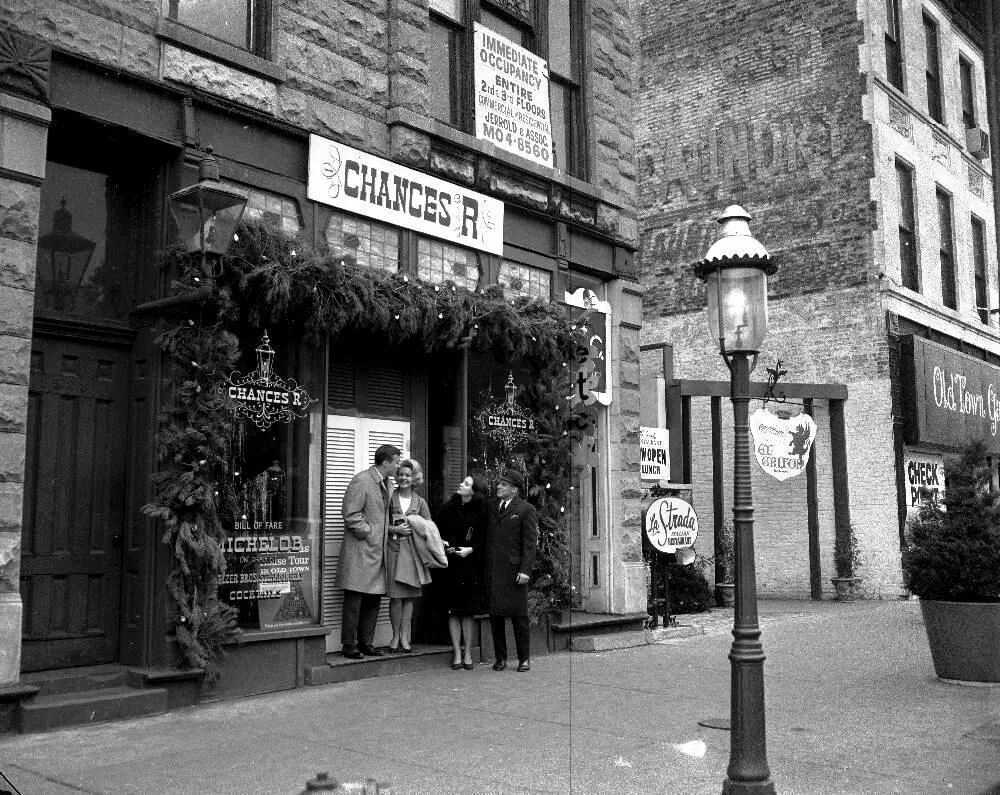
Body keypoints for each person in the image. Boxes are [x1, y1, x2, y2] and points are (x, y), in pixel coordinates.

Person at [336, 443, 400, 659]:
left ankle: (366, 642)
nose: (398, 466)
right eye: (397, 461)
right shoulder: (362, 480)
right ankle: (348, 645)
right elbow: (350, 514)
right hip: (360, 551)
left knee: (374, 599)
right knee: (354, 600)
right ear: (386, 462)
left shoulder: (388, 484)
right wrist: (370, 532)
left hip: (377, 552)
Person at [484, 468, 537, 672]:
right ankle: (501, 658)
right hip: (495, 570)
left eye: (504, 484)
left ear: (514, 489)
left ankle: (524, 658)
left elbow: (530, 544)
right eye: (499, 484)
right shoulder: (492, 507)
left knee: (519, 617)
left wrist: (526, 570)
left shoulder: (525, 510)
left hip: (515, 571)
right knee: (496, 616)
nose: (498, 486)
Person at [435, 473, 489, 670]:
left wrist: (472, 549)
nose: (461, 484)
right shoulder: (448, 508)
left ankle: (467, 652)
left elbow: (485, 539)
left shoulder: (483, 511)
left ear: (474, 491)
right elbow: (436, 531)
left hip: (471, 568)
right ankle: (457, 652)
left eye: (466, 484)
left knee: (468, 612)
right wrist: (444, 544)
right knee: (452, 610)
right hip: (451, 566)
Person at [385, 459, 433, 653]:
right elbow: (379, 525)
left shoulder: (420, 502)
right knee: (395, 598)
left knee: (409, 598)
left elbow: (429, 527)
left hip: (413, 555)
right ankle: (395, 636)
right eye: (401, 474)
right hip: (394, 552)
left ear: (415, 478)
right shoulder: (388, 497)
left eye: (408, 475)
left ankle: (406, 637)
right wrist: (394, 528)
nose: (404, 478)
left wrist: (418, 529)